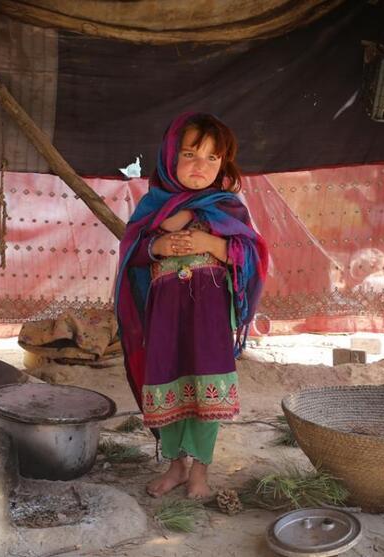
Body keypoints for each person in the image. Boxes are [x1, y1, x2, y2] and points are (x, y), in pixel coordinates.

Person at [114, 112, 268, 499]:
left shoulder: (228, 207)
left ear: (223, 163)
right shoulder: (153, 206)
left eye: (212, 158)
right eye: (190, 155)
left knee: (206, 387)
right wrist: (157, 246)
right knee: (166, 381)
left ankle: (200, 470)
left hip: (210, 315)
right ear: (170, 156)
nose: (201, 166)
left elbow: (250, 254)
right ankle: (176, 466)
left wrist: (210, 243)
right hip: (164, 314)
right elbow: (132, 251)